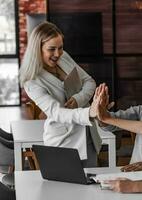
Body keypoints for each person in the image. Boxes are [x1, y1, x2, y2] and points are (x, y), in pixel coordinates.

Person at [19, 22, 102, 167]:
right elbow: (56, 112)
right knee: (65, 189)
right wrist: (89, 112)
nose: (58, 54)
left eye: (61, 48)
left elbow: (89, 81)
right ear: (37, 49)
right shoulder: (31, 81)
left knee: (92, 187)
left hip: (89, 136)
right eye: (51, 49)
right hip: (63, 143)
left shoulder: (64, 57)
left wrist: (78, 99)